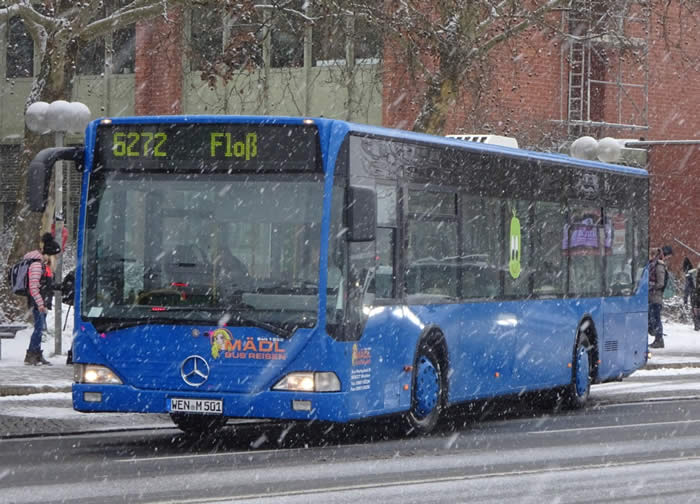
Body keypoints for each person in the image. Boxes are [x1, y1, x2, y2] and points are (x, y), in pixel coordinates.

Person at [23, 232, 61, 366]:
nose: (57, 258)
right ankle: (31, 354)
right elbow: (34, 287)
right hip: (38, 303)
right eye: (56, 255)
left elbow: (46, 285)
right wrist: (40, 304)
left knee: (39, 330)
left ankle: (36, 353)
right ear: (50, 255)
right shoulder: (37, 265)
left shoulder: (45, 267)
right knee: (38, 329)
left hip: (42, 303)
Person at [648, 245, 672, 349]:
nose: (651, 256)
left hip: (655, 297)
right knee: (652, 318)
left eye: (652, 254)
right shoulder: (652, 264)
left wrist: (651, 287)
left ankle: (659, 340)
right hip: (651, 296)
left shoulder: (658, 266)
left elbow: (660, 283)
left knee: (655, 319)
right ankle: (657, 337)